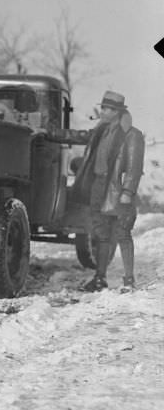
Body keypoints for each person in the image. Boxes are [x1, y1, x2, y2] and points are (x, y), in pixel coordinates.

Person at [54, 91, 145, 292]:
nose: (102, 111)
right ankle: (99, 278)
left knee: (122, 233)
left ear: (117, 111)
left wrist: (128, 192)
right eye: (103, 108)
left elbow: (134, 167)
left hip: (117, 190)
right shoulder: (101, 131)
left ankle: (129, 281)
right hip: (98, 187)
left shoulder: (131, 134)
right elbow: (79, 136)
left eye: (107, 109)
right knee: (101, 234)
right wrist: (50, 132)